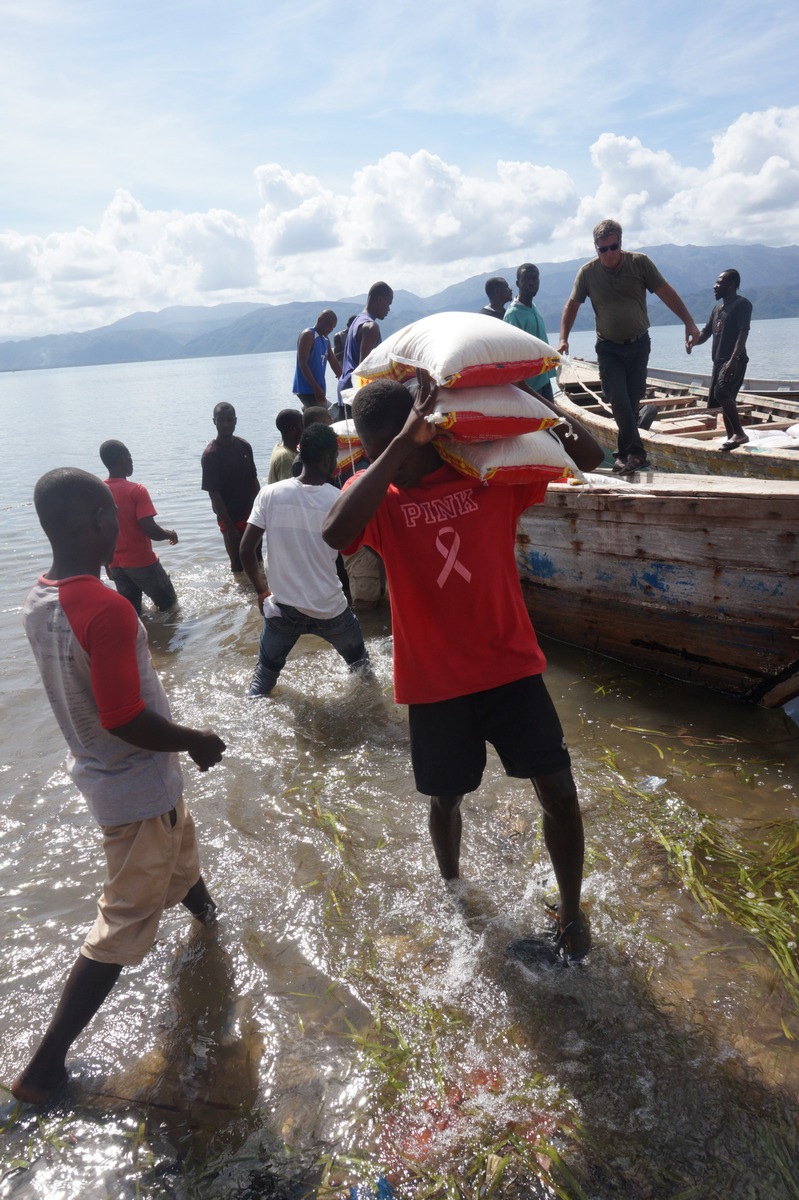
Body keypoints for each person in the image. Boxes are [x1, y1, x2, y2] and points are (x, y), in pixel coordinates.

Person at [322, 373, 604, 961]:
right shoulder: (379, 498)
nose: (385, 462)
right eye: (375, 451)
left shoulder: (489, 474)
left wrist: (524, 395)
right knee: (445, 800)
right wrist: (397, 446)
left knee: (558, 790)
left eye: (395, 446)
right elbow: (334, 532)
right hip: (435, 684)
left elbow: (590, 455)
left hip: (511, 668)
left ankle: (572, 918)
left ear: (430, 433)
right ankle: (454, 894)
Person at [13, 467, 226, 1105]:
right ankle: (44, 1067)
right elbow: (124, 718)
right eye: (112, 517)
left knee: (181, 856)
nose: (120, 525)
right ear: (92, 524)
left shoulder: (40, 597)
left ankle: (214, 929)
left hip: (117, 781)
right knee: (123, 922)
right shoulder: (104, 607)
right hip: (134, 789)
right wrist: (196, 738)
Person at [559, 219, 701, 475]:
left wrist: (689, 322)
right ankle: (637, 453)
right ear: (595, 248)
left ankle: (623, 455)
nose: (609, 254)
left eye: (613, 247)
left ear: (620, 244)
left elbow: (666, 292)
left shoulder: (640, 263)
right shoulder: (588, 273)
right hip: (608, 348)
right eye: (603, 249)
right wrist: (563, 338)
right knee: (619, 400)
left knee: (631, 402)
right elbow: (571, 306)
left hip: (638, 345)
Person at [240, 424, 370, 697]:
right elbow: (349, 548)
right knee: (362, 668)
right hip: (330, 609)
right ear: (327, 461)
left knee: (263, 679)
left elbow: (245, 550)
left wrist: (262, 590)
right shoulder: (338, 499)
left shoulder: (270, 493)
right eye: (334, 457)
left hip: (283, 609)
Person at [99, 440, 179, 615]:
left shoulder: (99, 491)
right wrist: (170, 534)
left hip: (116, 566)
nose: (132, 462)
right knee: (171, 607)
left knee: (134, 614)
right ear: (123, 458)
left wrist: (107, 564)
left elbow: (100, 533)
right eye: (130, 457)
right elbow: (150, 529)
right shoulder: (136, 490)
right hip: (143, 563)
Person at [689, 269, 752, 451]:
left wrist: (734, 360)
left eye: (719, 283)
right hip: (718, 362)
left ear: (730, 284)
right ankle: (731, 436)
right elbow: (706, 333)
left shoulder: (742, 304)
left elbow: (743, 332)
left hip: (733, 360)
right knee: (726, 399)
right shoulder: (717, 309)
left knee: (722, 393)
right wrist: (693, 342)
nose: (714, 287)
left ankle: (739, 434)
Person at [200, 403, 260, 572]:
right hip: (229, 518)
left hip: (251, 515)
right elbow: (214, 494)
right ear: (214, 422)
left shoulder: (244, 446)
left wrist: (260, 512)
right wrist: (231, 528)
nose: (225, 424)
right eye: (221, 420)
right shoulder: (211, 455)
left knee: (257, 559)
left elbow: (254, 481)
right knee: (238, 564)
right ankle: (240, 593)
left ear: (235, 421)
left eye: (229, 420)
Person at [336, 282, 394, 418]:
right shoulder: (370, 327)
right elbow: (365, 369)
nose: (389, 309)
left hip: (344, 388)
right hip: (355, 392)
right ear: (380, 300)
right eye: (388, 304)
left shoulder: (357, 321)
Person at [503, 264, 557, 402]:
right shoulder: (514, 314)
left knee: (552, 421)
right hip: (528, 386)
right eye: (526, 279)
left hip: (543, 378)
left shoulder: (533, 307)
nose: (531, 283)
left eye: (535, 279)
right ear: (518, 283)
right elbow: (511, 354)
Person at [292, 310, 341, 409]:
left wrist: (344, 378)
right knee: (326, 416)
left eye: (333, 327)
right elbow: (302, 363)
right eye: (328, 325)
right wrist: (316, 388)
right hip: (307, 389)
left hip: (318, 388)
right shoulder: (308, 335)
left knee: (326, 413)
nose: (330, 329)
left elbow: (334, 362)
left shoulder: (325, 340)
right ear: (320, 320)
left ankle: (306, 411)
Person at [268, 409, 304, 484]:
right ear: (293, 429)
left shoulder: (279, 446)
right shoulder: (285, 457)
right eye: (302, 425)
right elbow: (288, 488)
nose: (305, 428)